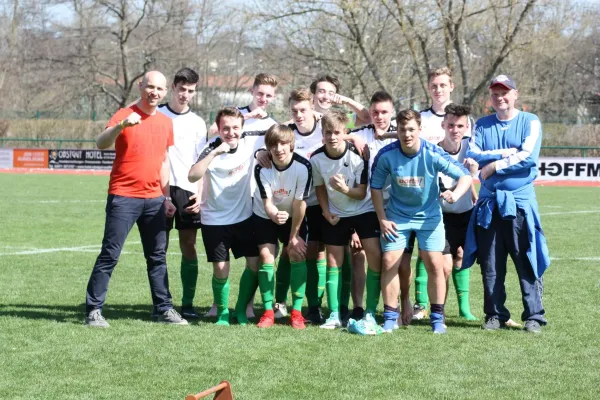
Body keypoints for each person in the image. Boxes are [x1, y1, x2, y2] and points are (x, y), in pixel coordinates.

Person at [85, 71, 187, 327]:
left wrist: (167, 197)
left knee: (157, 257)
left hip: (154, 200)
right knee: (110, 255)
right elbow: (100, 143)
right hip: (123, 197)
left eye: (159, 89)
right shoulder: (124, 114)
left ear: (166, 92)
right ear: (141, 86)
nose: (154, 92)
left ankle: (163, 308)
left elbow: (163, 160)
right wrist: (121, 126)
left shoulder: (165, 122)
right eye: (150, 86)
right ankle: (93, 310)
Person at [371, 109, 472, 334]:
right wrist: (382, 219)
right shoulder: (387, 155)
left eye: (410, 129)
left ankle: (437, 319)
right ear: (396, 131)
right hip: (398, 217)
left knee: (435, 264)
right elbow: (375, 187)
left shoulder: (433, 153)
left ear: (419, 130)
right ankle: (390, 316)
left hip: (429, 217)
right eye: (401, 129)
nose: (406, 134)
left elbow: (465, 175)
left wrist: (455, 194)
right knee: (389, 262)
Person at [463, 75, 550, 334]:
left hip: (519, 205)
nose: (500, 97)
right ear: (490, 97)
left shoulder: (529, 121)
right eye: (495, 93)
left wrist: (494, 166)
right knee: (490, 264)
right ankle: (495, 314)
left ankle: (534, 315)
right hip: (490, 206)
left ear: (515, 94)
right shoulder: (482, 124)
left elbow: (527, 156)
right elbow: (473, 154)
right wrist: (504, 153)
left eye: (505, 92)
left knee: (526, 260)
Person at [205, 73, 278, 318]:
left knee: (255, 258)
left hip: (256, 199)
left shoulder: (272, 124)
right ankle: (218, 306)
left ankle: (246, 305)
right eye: (260, 93)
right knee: (222, 262)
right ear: (252, 91)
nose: (263, 99)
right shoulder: (236, 115)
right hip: (228, 195)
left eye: (268, 95)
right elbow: (213, 132)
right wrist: (245, 117)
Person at [188, 107, 266, 326]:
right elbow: (192, 175)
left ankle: (241, 309)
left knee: (254, 263)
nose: (231, 133)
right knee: (221, 268)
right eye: (226, 128)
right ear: (219, 129)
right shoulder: (210, 147)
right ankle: (222, 312)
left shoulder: (251, 141)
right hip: (215, 219)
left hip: (244, 216)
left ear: (242, 128)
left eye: (235, 128)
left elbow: (283, 130)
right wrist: (214, 153)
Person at [310, 110, 383, 333]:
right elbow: (320, 187)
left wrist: (344, 189)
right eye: (328, 132)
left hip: (363, 210)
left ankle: (369, 310)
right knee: (334, 263)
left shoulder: (357, 154)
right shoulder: (316, 158)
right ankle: (334, 315)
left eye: (337, 132)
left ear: (345, 133)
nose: (332, 137)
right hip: (336, 214)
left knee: (375, 257)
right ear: (322, 134)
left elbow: (361, 193)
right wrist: (325, 211)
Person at [157, 67, 207, 320]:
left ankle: (188, 303)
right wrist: (161, 193)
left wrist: (200, 193)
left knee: (189, 245)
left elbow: (202, 161)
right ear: (173, 88)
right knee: (159, 248)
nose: (186, 95)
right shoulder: (157, 115)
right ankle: (162, 303)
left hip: (188, 191)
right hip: (161, 189)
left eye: (191, 91)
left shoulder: (198, 123)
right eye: (182, 89)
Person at [411, 66, 459, 320]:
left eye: (443, 85)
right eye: (434, 85)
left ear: (451, 86)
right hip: (427, 195)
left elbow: (467, 156)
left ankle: (447, 306)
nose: (438, 89)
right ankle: (421, 305)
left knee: (454, 259)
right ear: (428, 88)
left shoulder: (461, 118)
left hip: (456, 197)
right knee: (427, 251)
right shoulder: (420, 118)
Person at [344, 91, 397, 322]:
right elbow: (333, 135)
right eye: (375, 112)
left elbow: (419, 137)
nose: (379, 116)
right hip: (364, 207)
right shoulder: (362, 133)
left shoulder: (400, 134)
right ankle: (359, 307)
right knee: (359, 256)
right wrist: (352, 138)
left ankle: (390, 307)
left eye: (384, 112)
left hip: (394, 208)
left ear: (392, 112)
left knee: (392, 260)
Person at [253, 124, 312, 330]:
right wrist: (274, 215)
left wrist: (294, 236)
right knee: (266, 257)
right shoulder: (262, 167)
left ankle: (296, 312)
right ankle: (269, 312)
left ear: (291, 145)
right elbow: (267, 202)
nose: (279, 149)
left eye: (283, 143)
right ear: (268, 147)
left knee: (296, 253)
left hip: (294, 215)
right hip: (265, 216)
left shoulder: (303, 166)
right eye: (273, 144)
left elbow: (300, 203)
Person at [437, 104, 478, 321]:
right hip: (441, 217)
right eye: (451, 125)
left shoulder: (471, 149)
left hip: (465, 214)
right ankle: (439, 311)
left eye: (460, 126)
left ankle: (464, 309)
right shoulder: (434, 152)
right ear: (443, 125)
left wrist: (472, 188)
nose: (455, 130)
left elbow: (471, 174)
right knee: (443, 266)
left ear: (467, 127)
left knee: (462, 256)